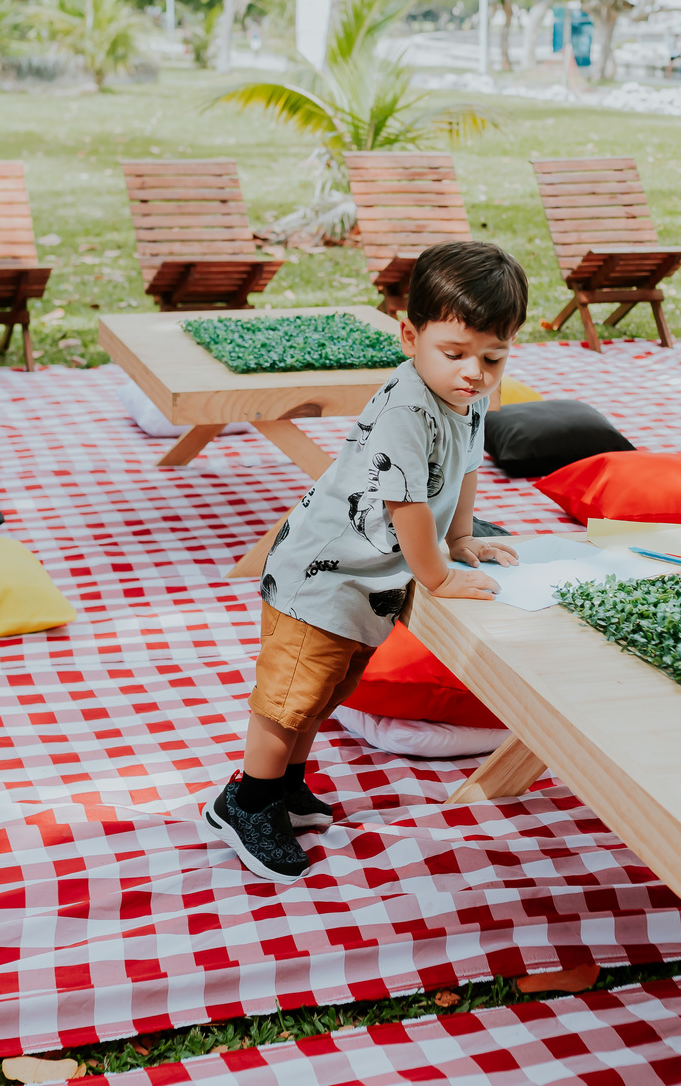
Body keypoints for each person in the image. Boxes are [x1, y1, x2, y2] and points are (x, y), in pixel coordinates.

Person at [205, 240, 528, 881]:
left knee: (324, 694)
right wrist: (437, 573)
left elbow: (464, 471)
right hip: (320, 576)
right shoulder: (407, 407)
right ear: (410, 337)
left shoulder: (470, 397)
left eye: (493, 357)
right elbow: (406, 501)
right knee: (286, 698)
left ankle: (286, 787)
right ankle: (246, 803)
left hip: (369, 582)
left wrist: (460, 540)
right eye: (456, 353)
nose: (475, 372)